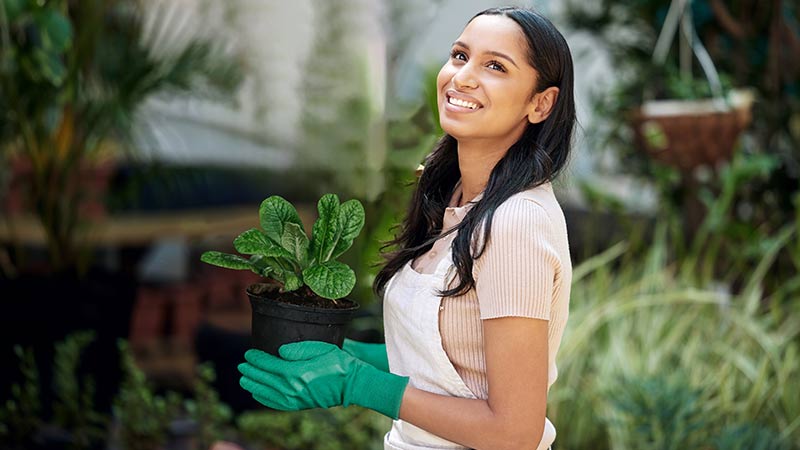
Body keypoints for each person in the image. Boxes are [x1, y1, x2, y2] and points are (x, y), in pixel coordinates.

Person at [237, 6, 575, 450]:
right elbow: (451, 367)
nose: (463, 77)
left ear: (540, 103)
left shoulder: (515, 222)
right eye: (459, 55)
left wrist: (358, 383)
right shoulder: (456, 202)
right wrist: (346, 354)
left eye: (495, 66)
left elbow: (514, 431)